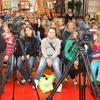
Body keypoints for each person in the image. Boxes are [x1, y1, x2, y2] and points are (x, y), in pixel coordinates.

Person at [34, 27, 62, 92]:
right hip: (45, 56)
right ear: (47, 33)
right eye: (50, 32)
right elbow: (43, 50)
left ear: (55, 34)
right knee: (41, 65)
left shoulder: (58, 41)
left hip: (54, 57)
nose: (51, 34)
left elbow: (57, 51)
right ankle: (36, 80)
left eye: (53, 33)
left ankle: (59, 83)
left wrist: (51, 59)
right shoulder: (44, 40)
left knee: (56, 66)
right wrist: (47, 58)